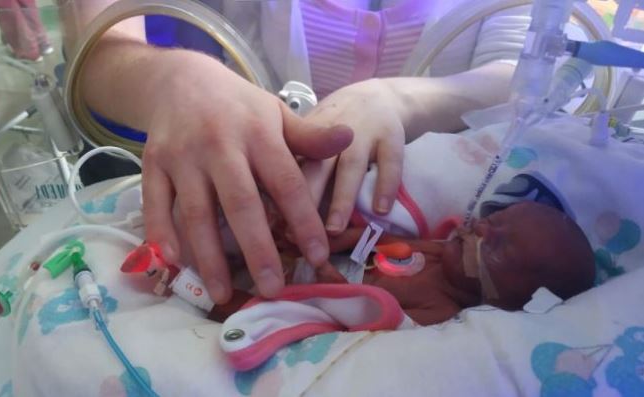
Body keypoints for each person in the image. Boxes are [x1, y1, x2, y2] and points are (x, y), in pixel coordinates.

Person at [68, 0, 531, 304]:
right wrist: (173, 81)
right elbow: (97, 44)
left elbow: (533, 76)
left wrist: (402, 99)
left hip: (424, 191)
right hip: (248, 185)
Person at [208, 201, 597, 326]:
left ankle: (197, 292)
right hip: (320, 262)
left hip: (316, 305)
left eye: (499, 245)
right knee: (275, 229)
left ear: (509, 300)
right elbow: (388, 243)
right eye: (493, 220)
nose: (478, 227)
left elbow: (366, 323)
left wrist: (330, 282)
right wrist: (344, 238)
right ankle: (220, 236)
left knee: (249, 312)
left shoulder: (440, 310)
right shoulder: (438, 252)